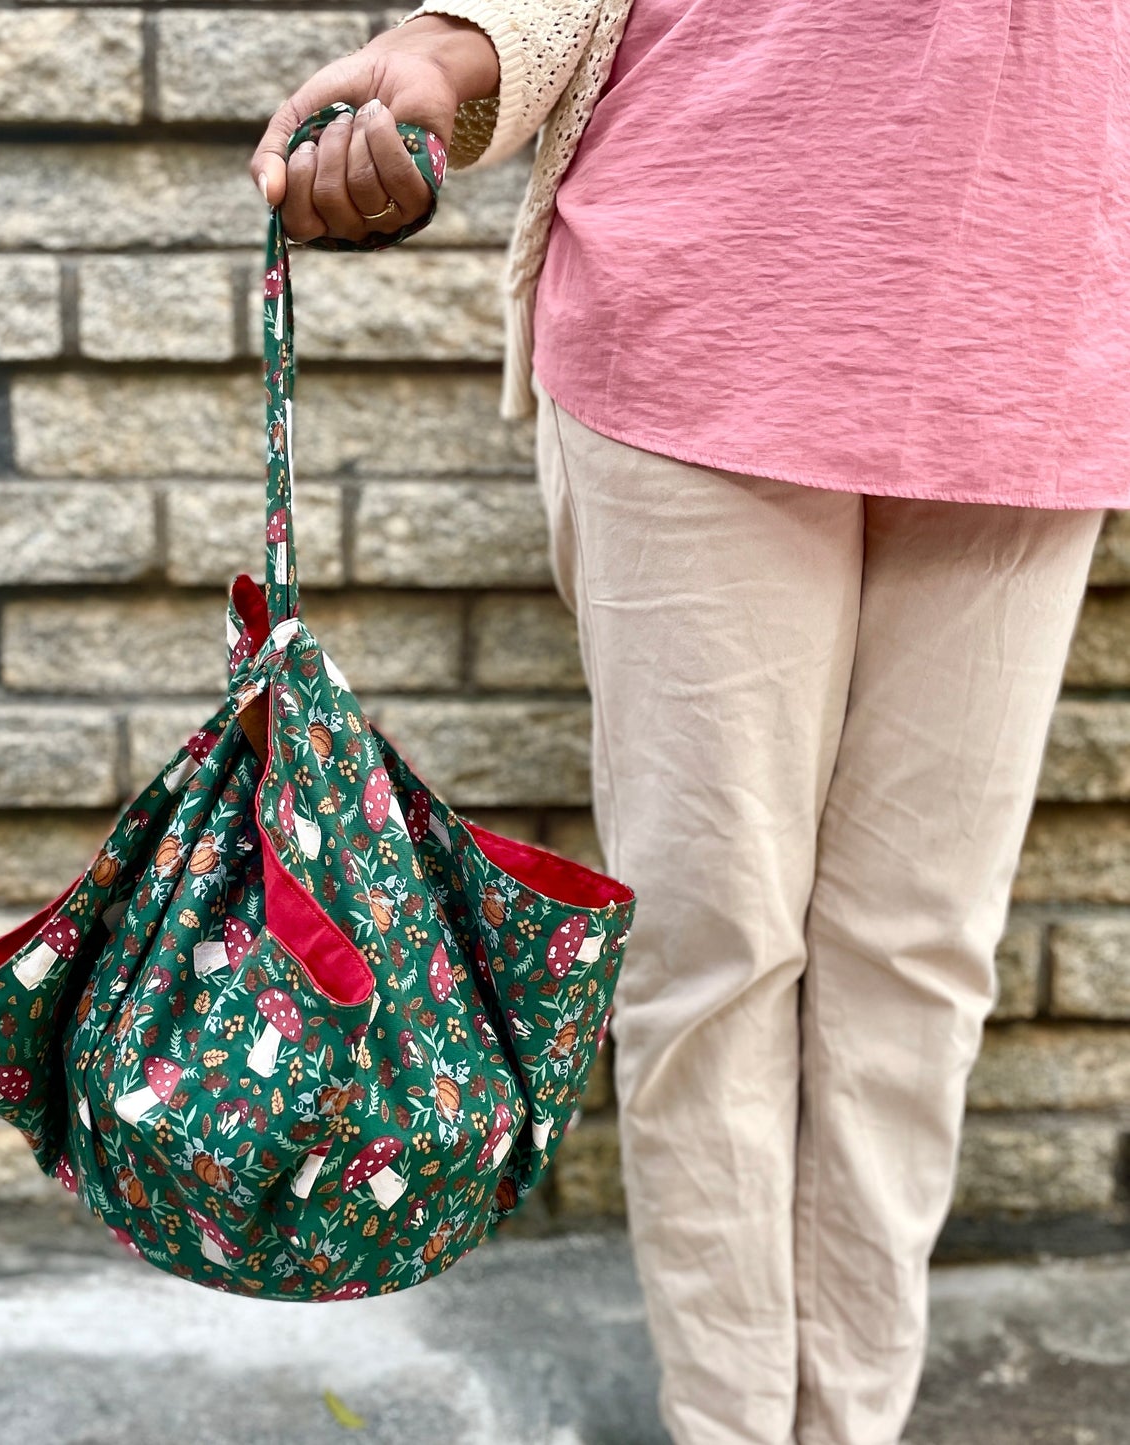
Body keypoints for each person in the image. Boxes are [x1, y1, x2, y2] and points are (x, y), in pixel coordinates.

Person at [249, 4, 1126, 1442]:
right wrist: (459, 49)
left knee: (915, 957)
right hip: (703, 297)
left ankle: (849, 1422)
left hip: (1031, 314)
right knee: (713, 949)